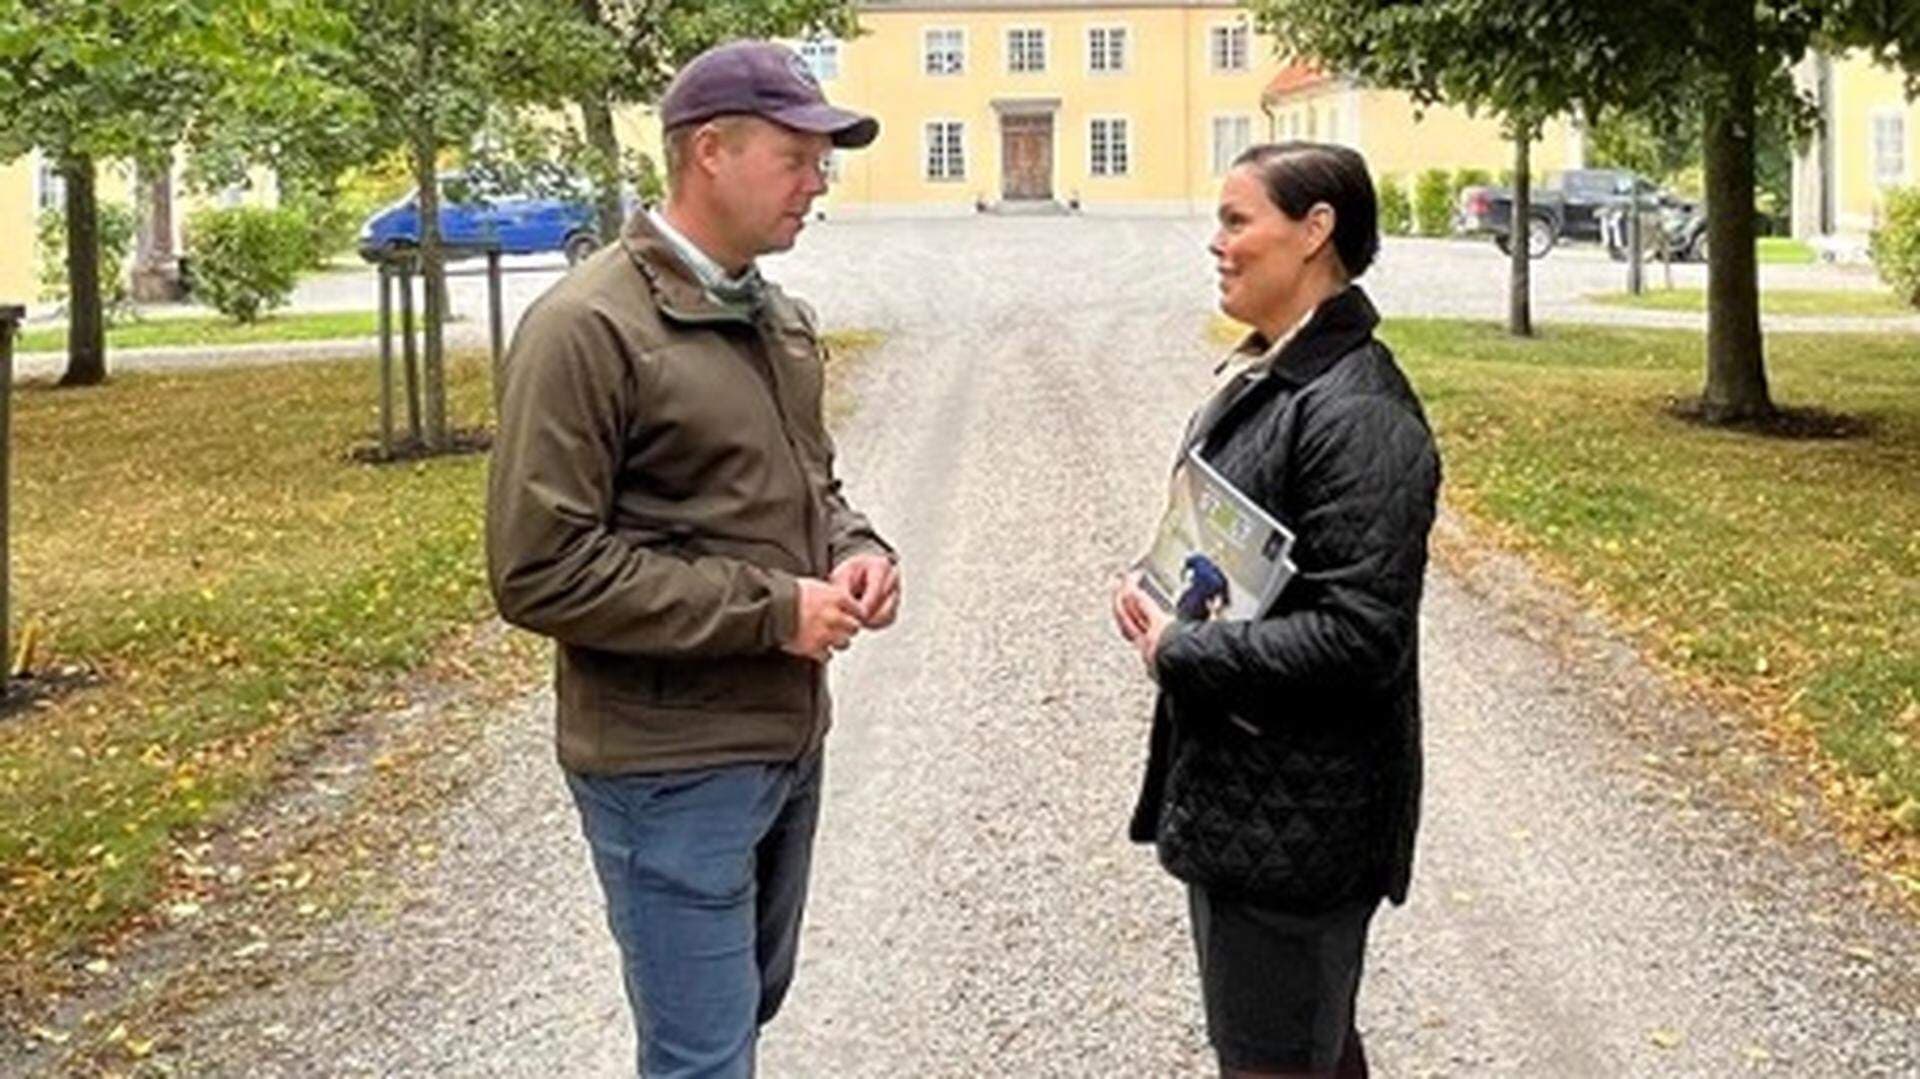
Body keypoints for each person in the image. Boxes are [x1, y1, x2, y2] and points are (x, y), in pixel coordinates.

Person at [485, 40, 898, 1079]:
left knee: (739, 1018)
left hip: (781, 735)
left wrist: (857, 552)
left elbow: (813, 490)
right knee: (703, 1056)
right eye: (798, 158)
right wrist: (773, 610)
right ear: (709, 150)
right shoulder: (586, 327)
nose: (818, 184)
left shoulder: (775, 316)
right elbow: (540, 567)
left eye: (823, 161)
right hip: (666, 765)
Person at [1112, 142, 1441, 1078]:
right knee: (1307, 1050)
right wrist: (1157, 592)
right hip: (1257, 804)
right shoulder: (1276, 372)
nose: (1216, 243)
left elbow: (1359, 637)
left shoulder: (1360, 411)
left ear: (1315, 231)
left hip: (1304, 819)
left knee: (1278, 1057)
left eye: (1236, 219)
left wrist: (1180, 651)